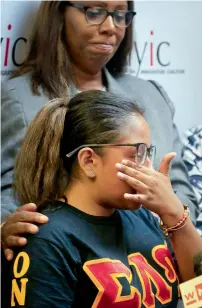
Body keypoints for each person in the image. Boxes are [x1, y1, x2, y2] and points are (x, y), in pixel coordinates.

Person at [1, 1, 199, 260]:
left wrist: (161, 218)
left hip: (160, 270)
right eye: (94, 12)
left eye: (120, 15)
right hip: (73, 272)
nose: (110, 27)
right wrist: (5, 227)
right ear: (59, 14)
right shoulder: (20, 99)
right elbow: (10, 193)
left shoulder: (152, 96)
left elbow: (184, 196)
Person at [2, 90, 202, 308]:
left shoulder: (144, 218)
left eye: (148, 154)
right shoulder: (47, 239)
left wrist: (175, 214)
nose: (149, 169)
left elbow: (197, 298)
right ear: (89, 161)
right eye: (138, 154)